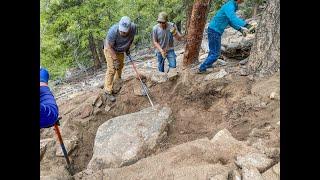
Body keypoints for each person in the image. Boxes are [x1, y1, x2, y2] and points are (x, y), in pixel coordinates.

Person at [198, 0, 255, 74]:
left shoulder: (231, 5)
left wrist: (240, 29)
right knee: (215, 54)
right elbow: (233, 18)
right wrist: (247, 25)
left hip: (213, 30)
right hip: (214, 31)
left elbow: (230, 22)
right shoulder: (230, 5)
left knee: (213, 51)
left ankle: (208, 65)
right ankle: (202, 68)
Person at [103, 16, 137, 102]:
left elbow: (131, 38)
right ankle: (108, 91)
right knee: (112, 69)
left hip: (120, 49)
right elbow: (109, 46)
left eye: (125, 31)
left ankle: (117, 83)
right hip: (110, 49)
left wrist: (127, 48)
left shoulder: (133, 28)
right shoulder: (113, 31)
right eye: (121, 30)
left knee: (120, 66)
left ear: (129, 28)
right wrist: (114, 59)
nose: (122, 32)